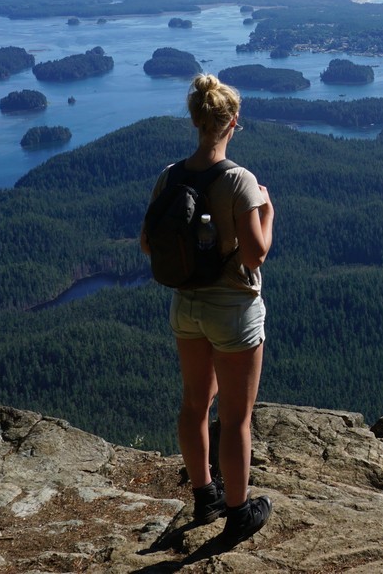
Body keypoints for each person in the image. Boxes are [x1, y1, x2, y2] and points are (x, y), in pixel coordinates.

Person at [141, 73, 274, 546]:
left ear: (196, 120)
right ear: (232, 122)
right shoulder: (239, 181)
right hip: (233, 311)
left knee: (196, 404)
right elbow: (255, 254)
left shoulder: (169, 176)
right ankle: (238, 513)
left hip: (185, 307)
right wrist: (268, 211)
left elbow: (146, 243)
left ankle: (205, 494)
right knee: (236, 417)